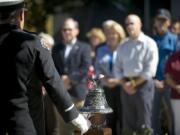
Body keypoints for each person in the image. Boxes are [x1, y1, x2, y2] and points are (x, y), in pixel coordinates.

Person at [0, 1, 91, 135]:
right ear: (21, 16)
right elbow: (51, 80)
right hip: (24, 125)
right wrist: (73, 115)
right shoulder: (32, 42)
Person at [110, 14, 158, 134]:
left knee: (144, 123)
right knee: (128, 123)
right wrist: (125, 84)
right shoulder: (123, 45)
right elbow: (117, 67)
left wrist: (133, 84)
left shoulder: (149, 43)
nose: (128, 26)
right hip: (125, 85)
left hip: (144, 85)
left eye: (132, 23)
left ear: (140, 24)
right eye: (126, 24)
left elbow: (150, 69)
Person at [52, 18, 92, 135]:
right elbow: (52, 69)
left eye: (69, 29)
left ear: (76, 31)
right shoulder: (56, 48)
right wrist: (60, 80)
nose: (67, 32)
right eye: (64, 30)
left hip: (79, 96)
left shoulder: (85, 47)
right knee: (64, 130)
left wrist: (69, 78)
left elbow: (85, 68)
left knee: (81, 130)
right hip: (61, 96)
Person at [95, 20, 126, 135]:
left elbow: (128, 69)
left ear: (119, 34)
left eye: (114, 33)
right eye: (108, 33)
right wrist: (104, 80)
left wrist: (117, 80)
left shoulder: (125, 49)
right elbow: (97, 69)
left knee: (123, 119)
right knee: (109, 121)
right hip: (107, 88)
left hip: (122, 88)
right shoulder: (101, 50)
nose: (111, 36)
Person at [152, 8, 177, 135]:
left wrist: (169, 81)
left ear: (169, 22)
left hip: (170, 84)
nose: (161, 23)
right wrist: (153, 80)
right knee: (152, 115)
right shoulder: (150, 40)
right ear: (155, 22)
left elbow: (177, 63)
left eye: (164, 20)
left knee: (173, 115)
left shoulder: (175, 40)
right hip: (154, 83)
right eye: (158, 20)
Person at [165, 50, 180, 135]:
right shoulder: (173, 57)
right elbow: (167, 77)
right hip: (176, 97)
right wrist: (176, 86)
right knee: (178, 125)